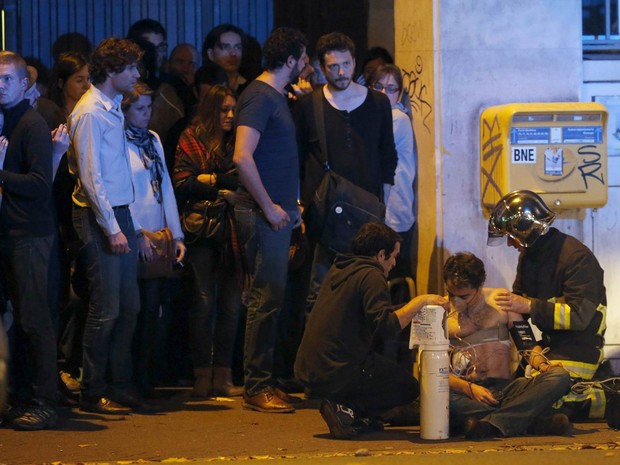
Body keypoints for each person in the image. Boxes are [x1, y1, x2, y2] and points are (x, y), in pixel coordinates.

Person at [295, 222, 448, 439]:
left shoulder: (342, 268)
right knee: (407, 387)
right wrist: (419, 302)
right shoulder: (371, 275)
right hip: (337, 369)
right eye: (393, 256)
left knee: (383, 368)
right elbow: (385, 326)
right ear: (381, 254)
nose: (394, 263)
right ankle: (344, 407)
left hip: (311, 367)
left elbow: (372, 315)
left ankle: (357, 416)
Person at [487, 189, 615, 424]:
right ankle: (540, 420)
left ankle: (598, 397)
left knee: (552, 393)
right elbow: (517, 311)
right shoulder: (528, 257)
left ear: (526, 229)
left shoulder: (577, 258)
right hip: (546, 351)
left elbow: (579, 318)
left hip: (579, 352)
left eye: (510, 236)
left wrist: (530, 306)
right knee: (504, 392)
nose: (508, 243)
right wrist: (530, 349)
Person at [233, 26, 308, 413]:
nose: (307, 64)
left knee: (273, 299)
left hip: (279, 213)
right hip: (264, 215)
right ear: (292, 59)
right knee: (264, 299)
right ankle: (256, 385)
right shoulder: (259, 97)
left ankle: (266, 381)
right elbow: (242, 156)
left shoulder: (275, 95)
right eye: (304, 57)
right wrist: (269, 206)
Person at [294, 32, 397, 314]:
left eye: (346, 64)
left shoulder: (377, 103)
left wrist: (383, 205)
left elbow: (388, 156)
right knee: (320, 293)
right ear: (321, 67)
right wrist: (300, 206)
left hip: (367, 210)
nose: (340, 72)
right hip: (325, 211)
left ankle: (362, 356)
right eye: (333, 66)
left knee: (367, 294)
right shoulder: (308, 106)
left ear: (354, 62)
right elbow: (300, 159)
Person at [67, 37, 143, 415]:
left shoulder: (110, 106)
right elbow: (91, 177)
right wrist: (112, 227)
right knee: (107, 308)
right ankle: (92, 390)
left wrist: (129, 223)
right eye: (130, 68)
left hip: (120, 212)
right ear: (112, 70)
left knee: (129, 305)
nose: (137, 74)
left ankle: (119, 383)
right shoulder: (90, 112)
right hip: (101, 216)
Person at [443, 252, 573, 438]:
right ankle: (528, 422)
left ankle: (492, 424)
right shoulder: (439, 311)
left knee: (560, 377)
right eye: (451, 294)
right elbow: (432, 371)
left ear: (480, 286)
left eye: (464, 296)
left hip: (504, 389)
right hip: (466, 392)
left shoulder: (501, 301)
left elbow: (527, 344)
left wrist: (543, 365)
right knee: (437, 398)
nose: (456, 301)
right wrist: (468, 388)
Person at [0, 51, 58, 430]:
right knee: (19, 321)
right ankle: (22, 396)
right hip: (11, 235)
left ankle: (45, 401)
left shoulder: (32, 124)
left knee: (35, 320)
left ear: (25, 83)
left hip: (30, 236)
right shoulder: (8, 120)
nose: (0, 86)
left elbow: (40, 185)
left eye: (7, 79)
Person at [173, 85, 242, 398]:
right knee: (202, 304)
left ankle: (223, 375)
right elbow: (182, 183)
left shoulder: (239, 139)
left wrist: (207, 179)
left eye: (233, 109)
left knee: (230, 305)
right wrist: (219, 182)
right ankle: (201, 373)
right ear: (209, 110)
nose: (229, 115)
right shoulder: (192, 137)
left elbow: (242, 177)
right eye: (223, 109)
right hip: (201, 230)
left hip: (233, 230)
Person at [123, 81, 186, 396]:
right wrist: (136, 233)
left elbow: (166, 188)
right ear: (125, 109)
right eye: (140, 108)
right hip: (133, 233)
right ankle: (128, 380)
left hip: (158, 234)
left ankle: (146, 380)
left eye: (150, 108)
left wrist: (176, 234)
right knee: (132, 310)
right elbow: (121, 194)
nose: (148, 114)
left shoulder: (153, 140)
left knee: (152, 309)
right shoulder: (118, 141)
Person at [368, 64, 417, 279]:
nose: (383, 93)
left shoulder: (396, 118)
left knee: (394, 274)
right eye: (378, 86)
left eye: (390, 88)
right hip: (388, 208)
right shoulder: (382, 115)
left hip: (394, 210)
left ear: (399, 94)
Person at [197, 24, 248, 97]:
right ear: (211, 54)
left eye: (238, 47)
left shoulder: (251, 85)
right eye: (226, 47)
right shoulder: (203, 85)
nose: (233, 53)